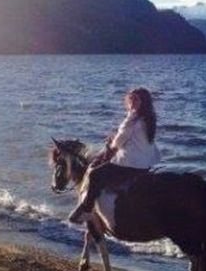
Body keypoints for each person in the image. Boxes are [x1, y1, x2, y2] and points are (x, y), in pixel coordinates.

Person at [69, 87, 161, 224]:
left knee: (94, 174)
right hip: (146, 163)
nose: (132, 102)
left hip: (131, 164)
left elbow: (118, 142)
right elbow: (133, 138)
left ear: (143, 102)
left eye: (136, 99)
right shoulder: (149, 118)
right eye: (131, 99)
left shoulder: (133, 119)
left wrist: (111, 145)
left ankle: (87, 210)